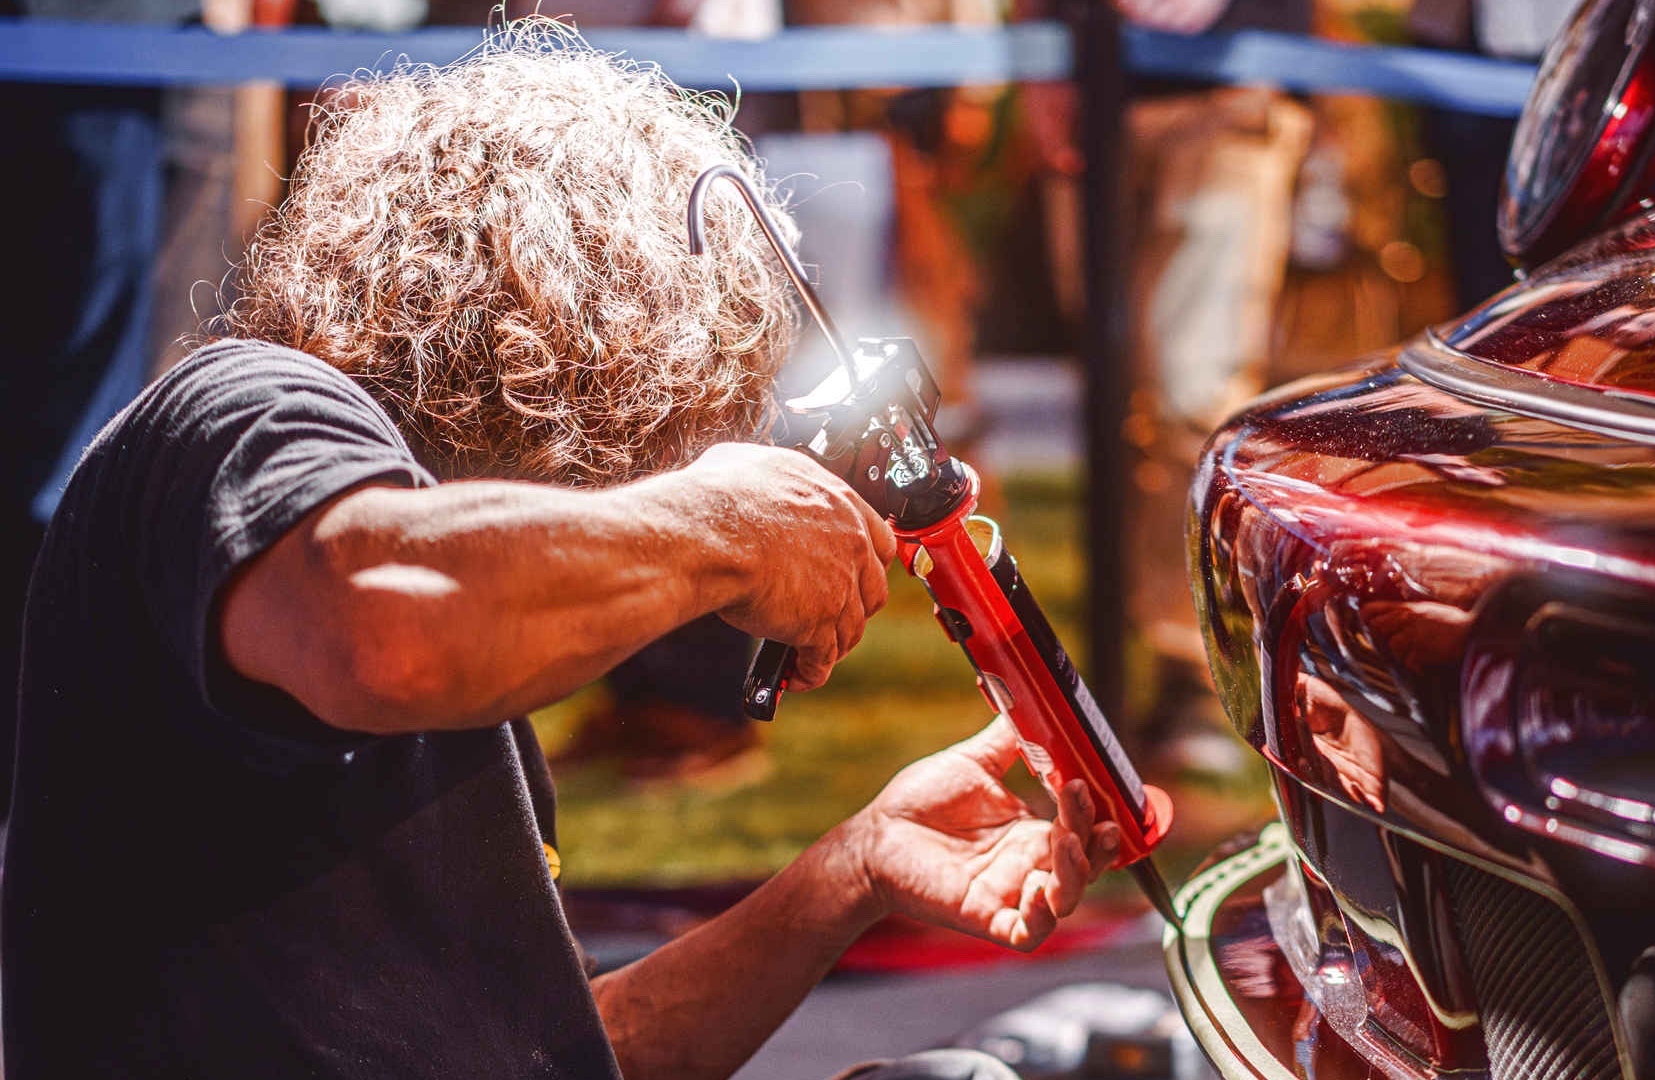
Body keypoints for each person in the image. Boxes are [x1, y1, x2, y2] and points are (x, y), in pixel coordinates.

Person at [2, 23, 1121, 1080]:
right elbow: (390, 628)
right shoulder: (243, 410)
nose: (653, 465)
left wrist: (853, 871)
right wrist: (725, 524)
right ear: (578, 327)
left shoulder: (457, 609)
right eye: (665, 423)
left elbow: (557, 1051)